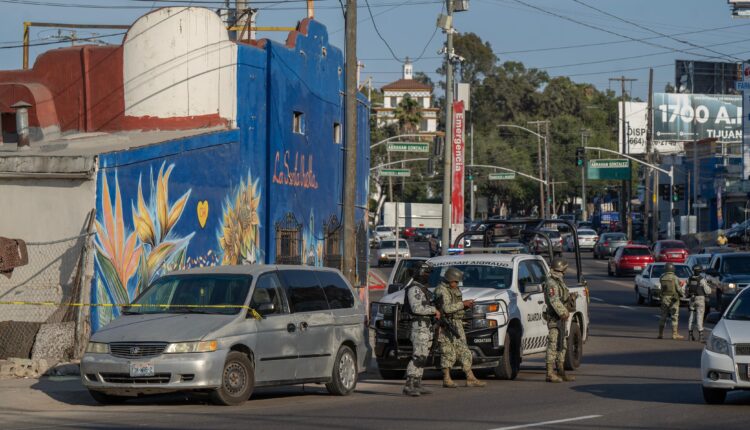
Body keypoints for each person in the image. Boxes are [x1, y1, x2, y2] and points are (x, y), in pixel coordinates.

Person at [434, 267, 486, 388]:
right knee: (447, 351)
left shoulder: (453, 289)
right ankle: (446, 379)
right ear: (449, 279)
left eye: (457, 282)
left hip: (456, 323)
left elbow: (455, 306)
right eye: (455, 281)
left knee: (464, 350)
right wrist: (463, 304)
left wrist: (465, 307)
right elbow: (446, 308)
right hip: (445, 324)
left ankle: (470, 377)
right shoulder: (441, 290)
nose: (457, 284)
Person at [401, 263, 439, 397]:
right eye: (426, 273)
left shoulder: (423, 289)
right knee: (418, 356)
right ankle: (408, 384)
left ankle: (417, 383)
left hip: (426, 327)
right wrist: (434, 310)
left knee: (423, 357)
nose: (428, 276)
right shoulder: (415, 289)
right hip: (419, 326)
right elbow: (416, 308)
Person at [543, 258, 576, 383]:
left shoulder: (559, 281)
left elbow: (562, 297)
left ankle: (561, 372)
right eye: (565, 269)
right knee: (553, 343)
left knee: (562, 344)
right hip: (555, 317)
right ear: (561, 268)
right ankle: (550, 373)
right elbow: (554, 300)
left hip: (561, 318)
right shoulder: (551, 282)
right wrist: (563, 312)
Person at [658, 262, 686, 340]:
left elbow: (662, 288)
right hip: (674, 299)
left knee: (663, 316)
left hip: (664, 298)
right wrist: (682, 293)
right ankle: (674, 334)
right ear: (673, 269)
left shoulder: (662, 277)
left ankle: (660, 334)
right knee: (674, 316)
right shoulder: (675, 277)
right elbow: (678, 289)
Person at [686, 265, 711, 342]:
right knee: (699, 317)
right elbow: (708, 291)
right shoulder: (702, 280)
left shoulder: (689, 279)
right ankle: (701, 335)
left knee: (691, 317)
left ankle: (690, 335)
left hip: (692, 299)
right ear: (700, 271)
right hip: (700, 299)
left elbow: (685, 288)